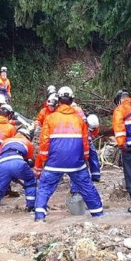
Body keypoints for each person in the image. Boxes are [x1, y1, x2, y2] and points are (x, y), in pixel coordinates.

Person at [34, 86, 103, 222]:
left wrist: (44, 160)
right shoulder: (79, 120)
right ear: (72, 100)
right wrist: (84, 159)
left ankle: (39, 217)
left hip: (54, 162)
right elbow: (85, 144)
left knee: (45, 188)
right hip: (75, 163)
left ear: (58, 100)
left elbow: (44, 142)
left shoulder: (50, 118)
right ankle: (98, 216)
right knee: (87, 188)